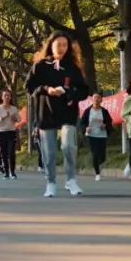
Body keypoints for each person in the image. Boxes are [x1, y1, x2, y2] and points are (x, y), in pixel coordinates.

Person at [26, 31, 90, 198]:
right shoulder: (39, 66)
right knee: (49, 152)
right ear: (51, 45)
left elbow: (84, 91)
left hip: (68, 112)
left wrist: (68, 91)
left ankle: (71, 179)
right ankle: (51, 182)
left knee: (68, 145)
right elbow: (30, 87)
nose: (61, 48)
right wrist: (46, 89)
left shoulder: (73, 68)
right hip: (46, 112)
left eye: (64, 45)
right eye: (58, 45)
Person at [80, 92, 111, 182]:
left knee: (102, 156)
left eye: (98, 98)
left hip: (102, 135)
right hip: (91, 135)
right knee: (95, 153)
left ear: (101, 100)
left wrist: (105, 126)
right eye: (94, 98)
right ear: (92, 99)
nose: (96, 99)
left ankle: (99, 165)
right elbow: (82, 123)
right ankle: (97, 173)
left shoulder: (104, 111)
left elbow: (109, 122)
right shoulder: (87, 111)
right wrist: (86, 128)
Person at [0, 91, 21, 179]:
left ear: (10, 97)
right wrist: (2, 117)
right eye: (5, 95)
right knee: (3, 153)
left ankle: (12, 172)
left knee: (11, 152)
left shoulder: (14, 109)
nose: (7, 97)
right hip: (1, 133)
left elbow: (19, 119)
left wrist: (14, 118)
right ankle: (6, 172)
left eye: (8, 95)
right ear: (2, 97)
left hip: (11, 132)